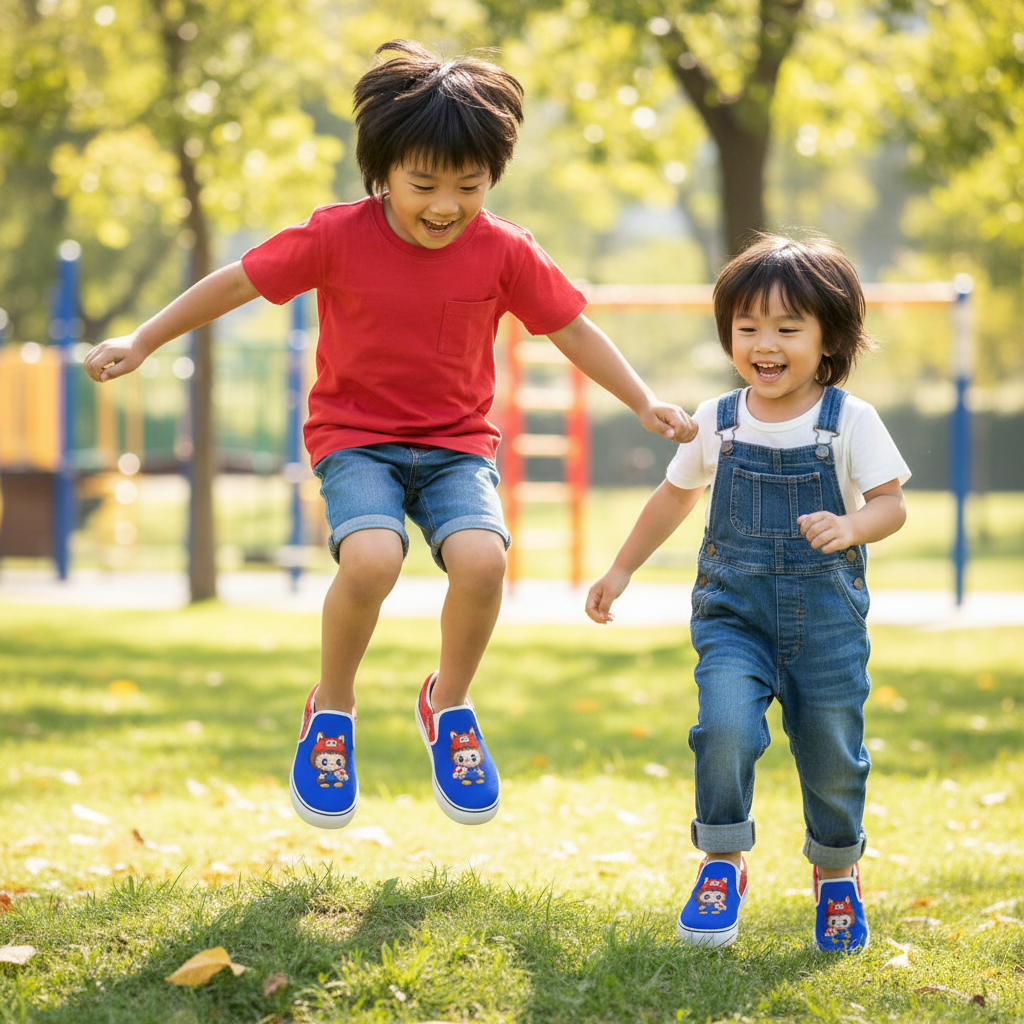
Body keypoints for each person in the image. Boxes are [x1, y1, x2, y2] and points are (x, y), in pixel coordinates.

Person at [84, 39, 697, 833]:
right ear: (383, 172)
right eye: (424, 184)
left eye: (468, 186)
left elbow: (572, 331)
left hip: (455, 445)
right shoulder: (336, 236)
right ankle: (331, 715)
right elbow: (238, 279)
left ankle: (449, 707)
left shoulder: (506, 250)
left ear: (493, 178)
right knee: (372, 558)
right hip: (356, 438)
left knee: (483, 560)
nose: (445, 204)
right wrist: (144, 339)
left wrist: (644, 400)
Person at [586, 233, 910, 953]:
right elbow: (673, 499)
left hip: (825, 623)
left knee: (832, 753)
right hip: (734, 617)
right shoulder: (717, 420)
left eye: (788, 328)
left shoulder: (849, 421)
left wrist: (852, 524)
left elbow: (892, 504)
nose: (765, 343)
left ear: (829, 340)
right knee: (724, 728)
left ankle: (836, 874)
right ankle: (722, 860)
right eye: (748, 327)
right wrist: (621, 569)